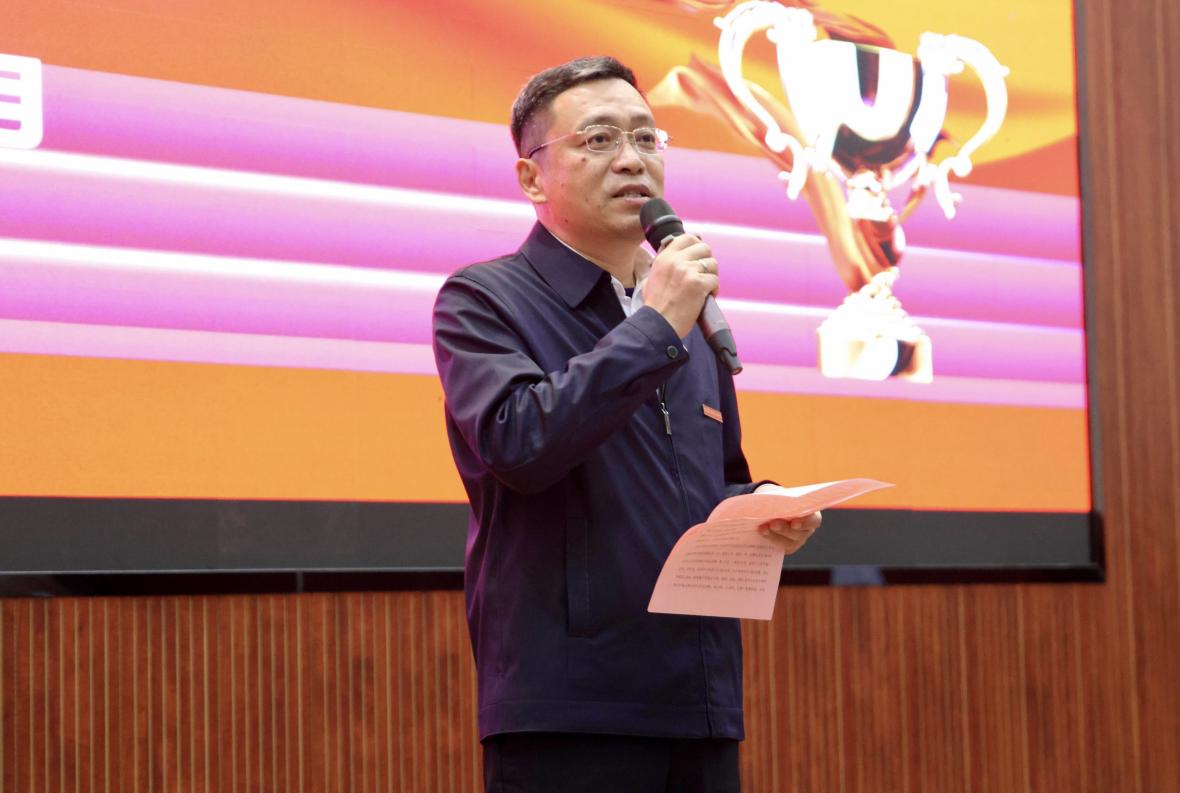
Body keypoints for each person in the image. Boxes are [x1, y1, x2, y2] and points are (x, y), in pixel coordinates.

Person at [432, 55, 821, 793]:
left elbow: (715, 481)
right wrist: (654, 327)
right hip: (569, 709)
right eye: (599, 139)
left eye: (646, 138)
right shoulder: (482, 300)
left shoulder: (684, 314)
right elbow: (519, 442)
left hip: (698, 699)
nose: (632, 159)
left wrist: (762, 507)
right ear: (532, 178)